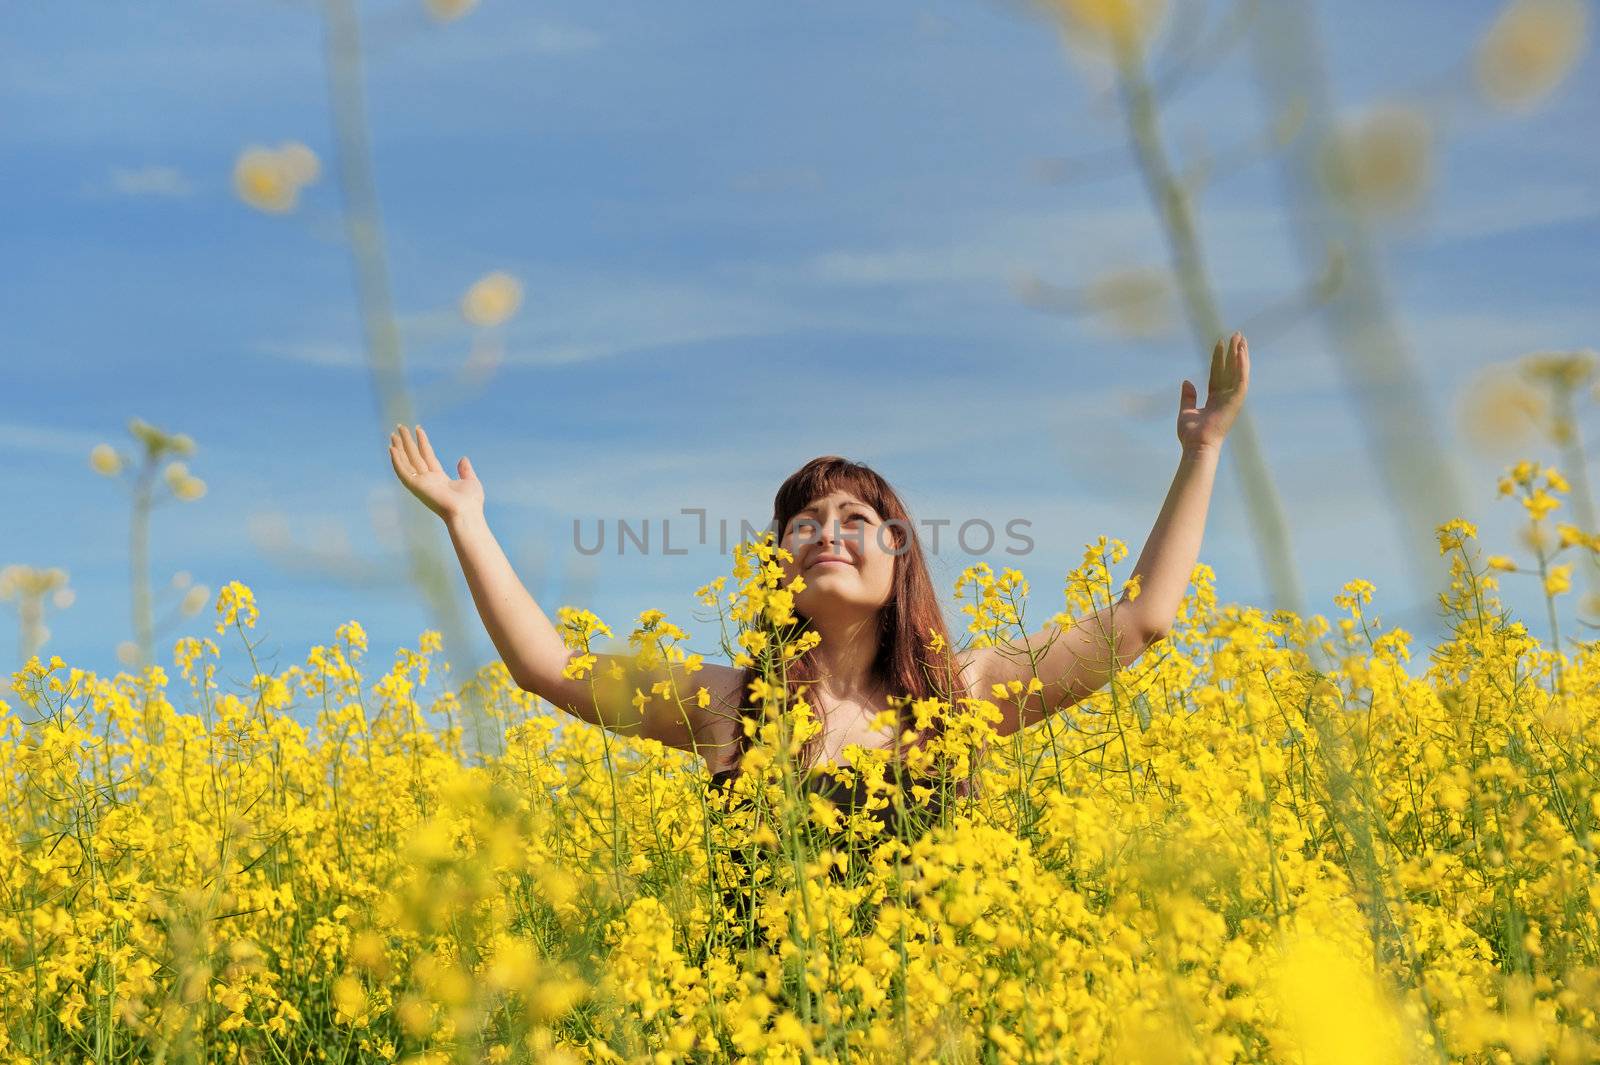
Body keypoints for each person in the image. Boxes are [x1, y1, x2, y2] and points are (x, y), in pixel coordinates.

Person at [386, 330, 1250, 801]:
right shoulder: (729, 707)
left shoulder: (965, 695)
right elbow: (547, 667)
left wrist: (1201, 453)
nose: (826, 533)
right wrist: (468, 522)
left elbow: (1140, 621)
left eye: (854, 518)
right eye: (802, 525)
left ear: (898, 556)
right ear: (778, 570)